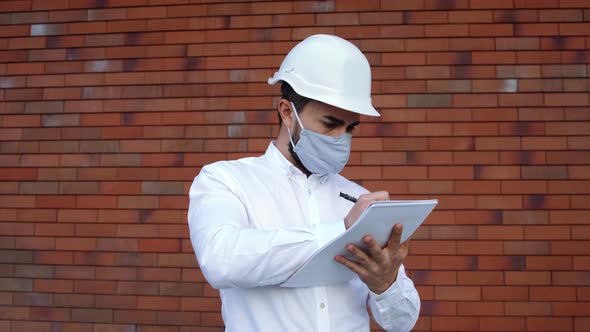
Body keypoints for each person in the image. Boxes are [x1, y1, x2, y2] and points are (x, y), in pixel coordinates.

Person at [188, 34, 420, 332]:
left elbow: (402, 323)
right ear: (287, 113)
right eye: (330, 123)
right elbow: (220, 260)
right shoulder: (226, 180)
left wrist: (385, 286)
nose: (341, 138)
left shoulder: (358, 199)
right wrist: (339, 232)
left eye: (351, 128)